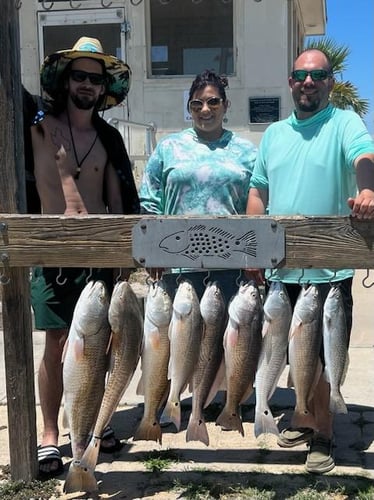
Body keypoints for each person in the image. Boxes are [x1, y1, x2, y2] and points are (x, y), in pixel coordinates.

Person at [246, 48, 374, 473]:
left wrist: (369, 190)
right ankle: (302, 415)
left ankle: (323, 432)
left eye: (318, 75)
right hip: (282, 271)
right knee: (284, 350)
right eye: (301, 75)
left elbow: (363, 155)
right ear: (290, 82)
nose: (308, 82)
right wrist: (252, 241)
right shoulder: (275, 134)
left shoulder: (344, 122)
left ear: (330, 82)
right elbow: (258, 191)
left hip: (329, 272)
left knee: (320, 355)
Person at [27, 37, 140, 478]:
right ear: (65, 79)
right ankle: (50, 436)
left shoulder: (109, 137)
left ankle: (94, 425)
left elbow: (121, 199)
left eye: (96, 78)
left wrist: (123, 254)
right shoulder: (35, 125)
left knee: (100, 348)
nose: (88, 85)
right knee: (56, 346)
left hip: (97, 256)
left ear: (104, 87)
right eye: (80, 76)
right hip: (52, 255)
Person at [139, 69, 257, 302]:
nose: (205, 109)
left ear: (226, 105)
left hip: (231, 267)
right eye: (197, 104)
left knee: (229, 338)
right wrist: (152, 250)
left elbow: (260, 204)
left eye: (213, 102)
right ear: (189, 108)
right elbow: (150, 201)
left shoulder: (248, 152)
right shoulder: (168, 147)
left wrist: (253, 258)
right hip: (176, 268)